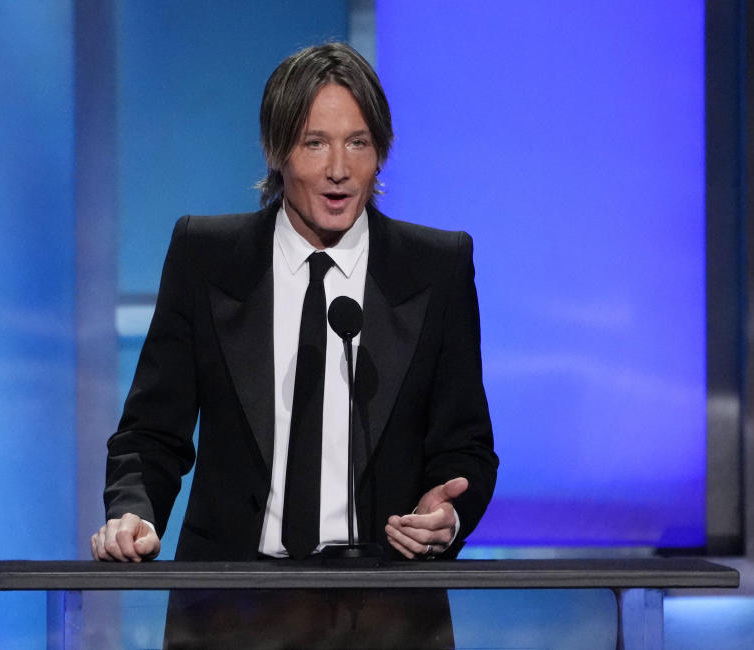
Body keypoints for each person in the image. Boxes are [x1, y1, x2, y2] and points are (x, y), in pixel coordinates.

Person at [90, 42, 497, 649]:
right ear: (276, 150)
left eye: (358, 142)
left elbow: (466, 447)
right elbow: (152, 431)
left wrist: (449, 519)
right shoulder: (208, 256)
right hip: (230, 615)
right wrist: (134, 513)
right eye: (315, 142)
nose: (339, 168)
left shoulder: (436, 267)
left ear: (380, 151)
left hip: (387, 617)